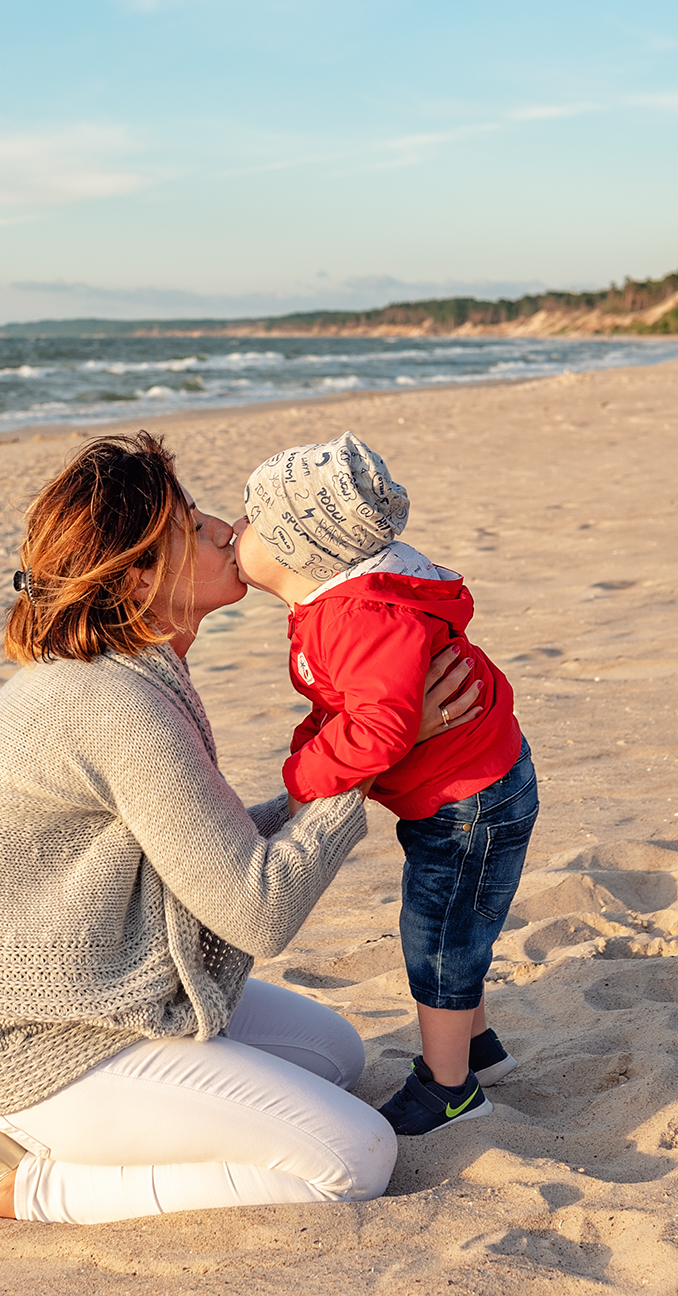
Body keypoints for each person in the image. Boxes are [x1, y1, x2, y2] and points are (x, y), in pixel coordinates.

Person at [0, 431, 481, 1224]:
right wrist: (376, 748)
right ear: (137, 579)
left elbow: (215, 851)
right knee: (356, 1156)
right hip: (21, 1040)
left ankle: (43, 1128)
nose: (227, 529)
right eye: (192, 526)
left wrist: (362, 750)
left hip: (91, 990)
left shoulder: (131, 676)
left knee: (336, 1054)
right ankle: (7, 1181)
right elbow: (257, 910)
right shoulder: (114, 704)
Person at [236, 429, 536, 1136]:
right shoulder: (343, 604)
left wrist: (304, 771)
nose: (236, 530)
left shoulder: (362, 618)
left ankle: (450, 1089)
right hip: (464, 788)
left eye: (251, 519)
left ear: (295, 548)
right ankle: (477, 1047)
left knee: (439, 935)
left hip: (470, 801)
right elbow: (354, 707)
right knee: (460, 923)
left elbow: (381, 730)